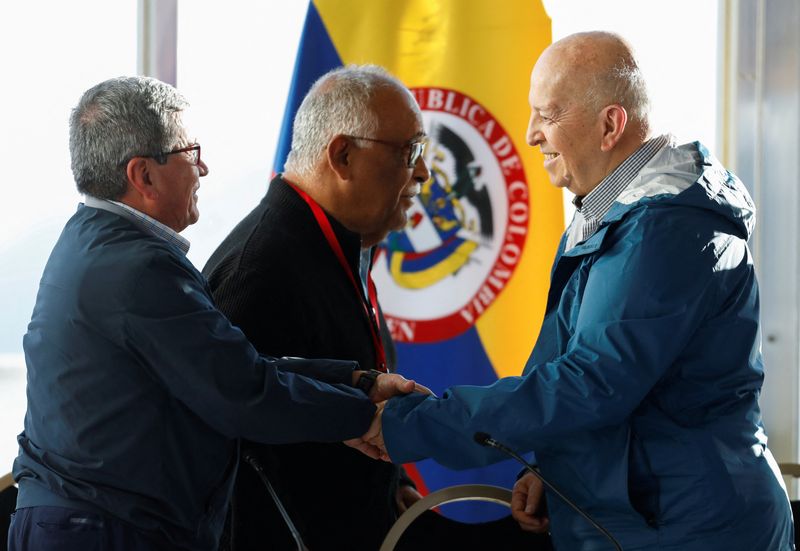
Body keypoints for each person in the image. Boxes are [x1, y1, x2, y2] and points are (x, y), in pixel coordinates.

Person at [350, 32, 795, 550]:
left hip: (687, 529)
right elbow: (595, 375)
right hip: (650, 518)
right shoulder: (614, 211)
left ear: (610, 125)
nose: (531, 134)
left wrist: (413, 425)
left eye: (548, 114)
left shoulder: (664, 230)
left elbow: (591, 384)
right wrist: (559, 472)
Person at [8, 76, 416, 551]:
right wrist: (362, 417)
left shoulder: (94, 241)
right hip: (106, 531)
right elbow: (241, 392)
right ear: (143, 175)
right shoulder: (137, 269)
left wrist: (354, 383)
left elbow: (232, 365)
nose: (203, 167)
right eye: (189, 151)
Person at [202, 65, 431, 551]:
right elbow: (229, 445)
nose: (423, 173)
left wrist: (392, 490)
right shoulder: (259, 268)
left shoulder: (333, 247)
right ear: (343, 155)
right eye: (409, 152)